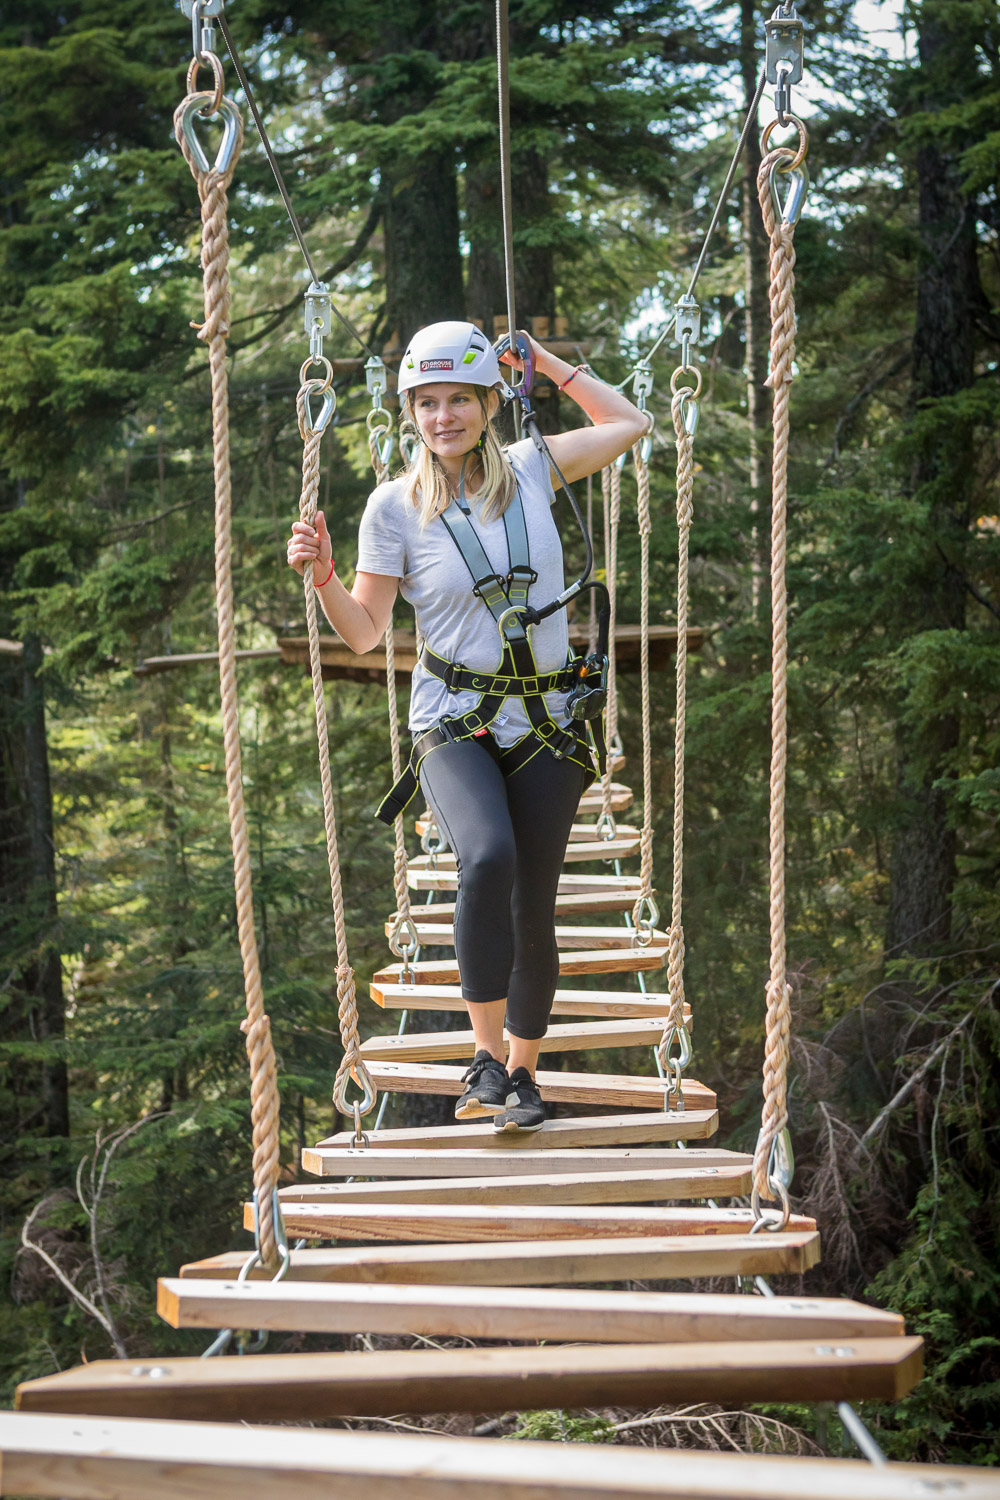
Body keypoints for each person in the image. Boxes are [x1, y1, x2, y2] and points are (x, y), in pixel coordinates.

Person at [287, 321, 645, 1131]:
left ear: (489, 402)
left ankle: (522, 1074)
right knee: (487, 857)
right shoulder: (393, 508)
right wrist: (326, 580)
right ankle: (483, 1057)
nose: (443, 416)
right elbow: (367, 632)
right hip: (454, 723)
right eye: (427, 402)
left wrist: (544, 366)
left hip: (547, 721)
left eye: (459, 399)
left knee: (534, 906)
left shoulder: (533, 468)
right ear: (410, 411)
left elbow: (628, 425)